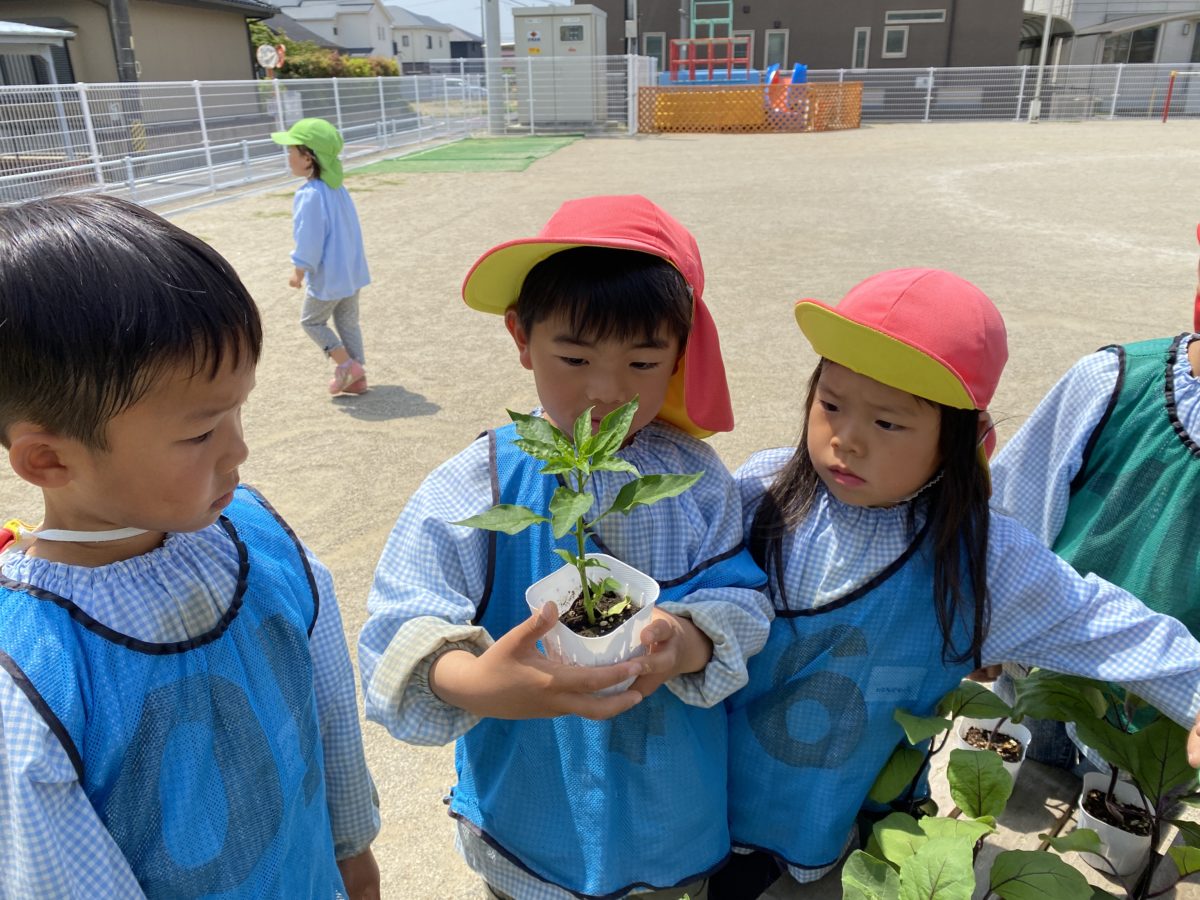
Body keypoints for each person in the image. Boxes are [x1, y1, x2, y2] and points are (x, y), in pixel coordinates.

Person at [722, 268, 1200, 896]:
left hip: (843, 810)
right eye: (831, 404)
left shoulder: (979, 557)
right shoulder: (760, 493)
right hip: (715, 794)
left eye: (888, 423)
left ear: (961, 440)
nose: (847, 439)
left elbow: (1100, 621)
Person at [359, 195, 772, 899]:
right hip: (531, 812)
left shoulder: (694, 480)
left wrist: (683, 642)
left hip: (668, 810)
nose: (605, 391)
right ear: (521, 337)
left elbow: (741, 602)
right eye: (574, 357)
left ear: (681, 355)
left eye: (643, 362)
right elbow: (403, 620)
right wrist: (478, 682)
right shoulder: (481, 482)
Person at [0, 195, 380, 898]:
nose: (239, 450)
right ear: (49, 460)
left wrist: (352, 849)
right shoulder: (30, 673)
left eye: (239, 410)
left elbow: (329, 710)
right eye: (200, 432)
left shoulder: (262, 541)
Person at [988, 222, 1200, 770]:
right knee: (1023, 783)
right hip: (1045, 678)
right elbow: (1011, 513)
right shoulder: (1112, 383)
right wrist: (983, 617)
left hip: (1172, 725)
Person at [272, 117, 371, 395]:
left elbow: (309, 238)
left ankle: (348, 367)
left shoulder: (310, 194)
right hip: (351, 271)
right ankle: (357, 376)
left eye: (291, 151)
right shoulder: (337, 189)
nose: (288, 157)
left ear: (308, 158)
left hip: (330, 276)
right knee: (348, 322)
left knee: (311, 321)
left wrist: (299, 270)